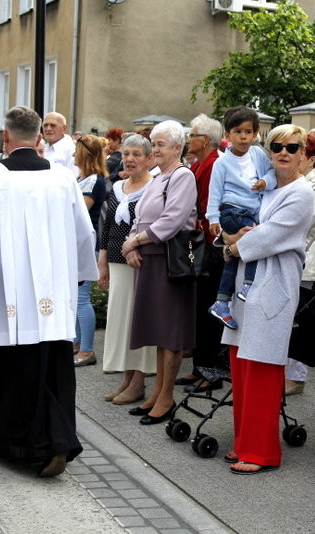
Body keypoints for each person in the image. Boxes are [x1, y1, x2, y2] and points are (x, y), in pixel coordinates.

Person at [0, 106, 98, 478]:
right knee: (48, 368)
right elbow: (84, 233)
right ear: (39, 137)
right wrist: (77, 277)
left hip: (1, 297)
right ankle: (54, 440)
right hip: (50, 297)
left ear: (6, 136)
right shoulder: (63, 178)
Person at [217, 124, 314, 474]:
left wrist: (233, 247)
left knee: (262, 365)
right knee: (242, 364)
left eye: (292, 147)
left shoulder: (301, 192)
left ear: (303, 154)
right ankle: (243, 441)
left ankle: (261, 452)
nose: (284, 152)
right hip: (245, 279)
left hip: (274, 281)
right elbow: (237, 220)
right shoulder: (263, 186)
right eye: (277, 146)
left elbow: (271, 235)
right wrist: (230, 236)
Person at [121, 120, 197, 425]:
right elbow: (139, 217)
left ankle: (166, 398)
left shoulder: (183, 176)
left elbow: (172, 220)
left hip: (170, 262)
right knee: (157, 331)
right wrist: (132, 245)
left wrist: (136, 241)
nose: (154, 149)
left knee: (171, 332)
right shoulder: (157, 178)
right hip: (150, 259)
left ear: (177, 148)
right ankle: (156, 393)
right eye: (153, 144)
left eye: (160, 144)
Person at [98, 134, 157, 404]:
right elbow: (107, 225)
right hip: (116, 261)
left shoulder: (154, 187)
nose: (130, 159)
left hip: (141, 261)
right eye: (126, 154)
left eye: (136, 154)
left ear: (149, 158)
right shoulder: (117, 187)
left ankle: (138, 381)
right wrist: (102, 259)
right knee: (120, 321)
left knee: (138, 320)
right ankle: (126, 376)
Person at [206, 107, 275, 329]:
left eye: (248, 132)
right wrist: (213, 219)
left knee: (234, 257)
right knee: (254, 237)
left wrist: (265, 182)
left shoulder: (258, 154)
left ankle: (222, 301)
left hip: (250, 212)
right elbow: (214, 193)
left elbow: (271, 173)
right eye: (238, 132)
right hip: (232, 211)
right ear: (227, 135)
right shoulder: (221, 163)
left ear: (255, 133)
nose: (243, 137)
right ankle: (249, 284)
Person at [179, 113, 225, 392]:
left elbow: (209, 206)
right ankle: (200, 366)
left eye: (192, 135)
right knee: (199, 308)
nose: (188, 140)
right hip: (199, 242)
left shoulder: (214, 164)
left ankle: (212, 372)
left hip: (210, 244)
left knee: (209, 309)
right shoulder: (199, 164)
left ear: (205, 139)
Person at [285, 132, 315, 395]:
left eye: (299, 155)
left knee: (301, 318)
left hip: (306, 260)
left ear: (311, 160)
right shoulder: (294, 181)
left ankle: (296, 377)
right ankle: (287, 373)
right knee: (289, 316)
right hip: (291, 257)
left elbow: (305, 222)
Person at [72, 134, 109, 366]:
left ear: (84, 153)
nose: (73, 154)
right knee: (76, 298)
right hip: (80, 245)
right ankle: (77, 344)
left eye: (76, 150)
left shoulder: (94, 181)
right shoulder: (83, 178)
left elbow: (79, 212)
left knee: (82, 298)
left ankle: (87, 350)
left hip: (88, 245)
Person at [43, 112, 79, 178]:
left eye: (53, 125)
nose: (48, 128)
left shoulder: (71, 151)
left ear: (64, 128)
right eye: (45, 125)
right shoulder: (42, 148)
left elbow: (73, 178)